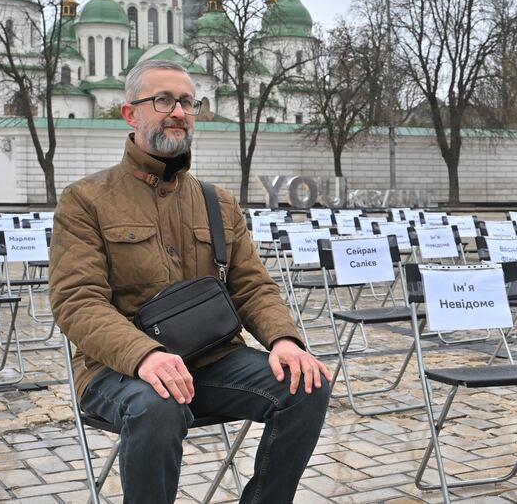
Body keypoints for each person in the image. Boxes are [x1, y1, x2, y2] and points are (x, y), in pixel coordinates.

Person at [49, 59, 331, 504]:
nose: (178, 111)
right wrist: (145, 356)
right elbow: (76, 302)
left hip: (211, 361)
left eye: (187, 101)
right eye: (163, 100)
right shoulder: (86, 200)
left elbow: (252, 286)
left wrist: (283, 340)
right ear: (130, 113)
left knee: (306, 383)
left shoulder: (216, 201)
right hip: (118, 370)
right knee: (157, 404)